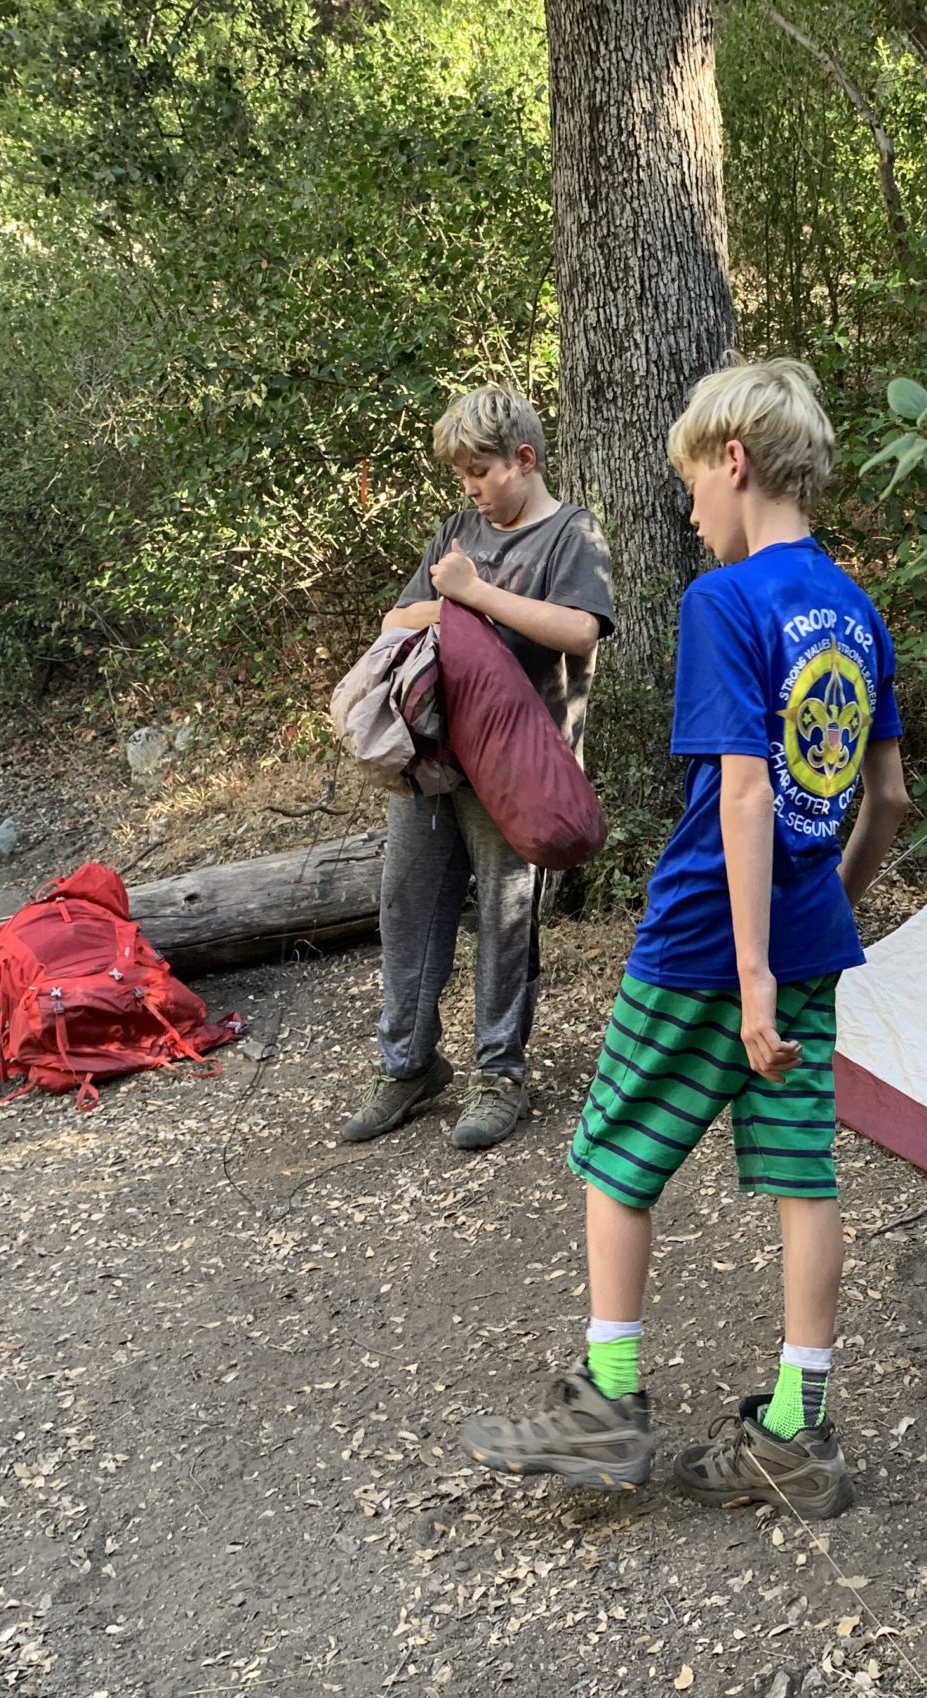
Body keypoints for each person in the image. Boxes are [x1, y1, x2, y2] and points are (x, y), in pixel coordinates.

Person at [459, 358, 909, 1518]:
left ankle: (607, 1408)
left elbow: (749, 795)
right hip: (804, 933)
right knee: (805, 1176)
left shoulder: (727, 604)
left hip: (712, 937)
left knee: (615, 1156)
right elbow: (890, 800)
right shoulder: (854, 611)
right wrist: (823, 913)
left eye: (691, 488)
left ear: (735, 463)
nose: (689, 511)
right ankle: (797, 1430)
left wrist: (753, 975)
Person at [343, 387, 615, 1151]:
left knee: (504, 918)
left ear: (523, 460)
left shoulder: (571, 532)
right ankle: (407, 1064)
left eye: (479, 470)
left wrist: (473, 595)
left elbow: (579, 631)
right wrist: (450, 605)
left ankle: (499, 1076)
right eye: (459, 472)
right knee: (406, 903)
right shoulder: (457, 529)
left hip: (519, 768)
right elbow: (398, 619)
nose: (468, 486)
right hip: (431, 757)